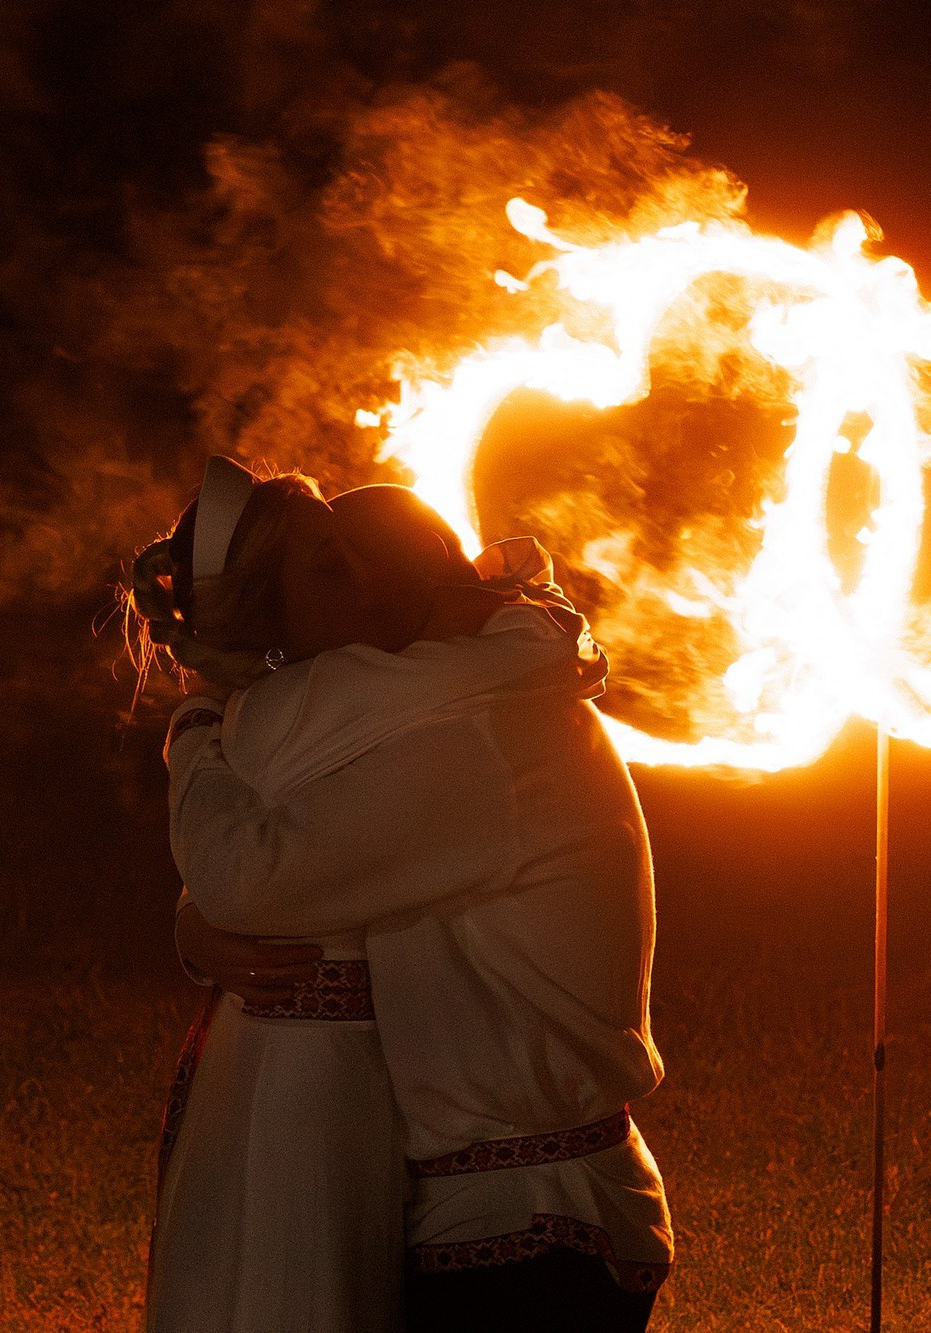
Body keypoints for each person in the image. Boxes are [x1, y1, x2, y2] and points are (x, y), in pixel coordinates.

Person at [152, 459, 672, 1333]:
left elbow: (253, 874)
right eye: (331, 563)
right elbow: (308, 863)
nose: (355, 584)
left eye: (359, 561)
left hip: (528, 1224)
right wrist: (195, 923)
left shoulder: (475, 738)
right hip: (490, 1209)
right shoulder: (455, 709)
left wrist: (198, 716)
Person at [131, 460, 416, 1333]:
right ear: (268, 609)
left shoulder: (269, 712)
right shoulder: (288, 714)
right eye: (329, 566)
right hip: (297, 1083)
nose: (363, 579)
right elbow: (241, 872)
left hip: (344, 1072)